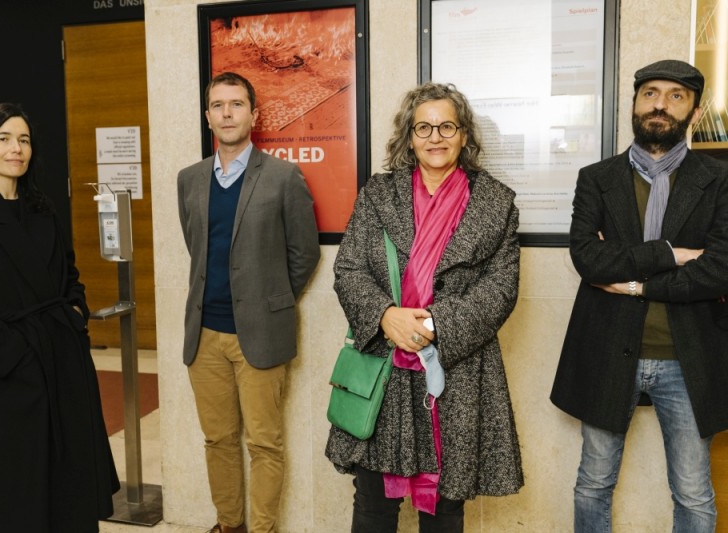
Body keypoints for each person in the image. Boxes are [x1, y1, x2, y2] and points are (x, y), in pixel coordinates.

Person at [325, 81, 524, 532]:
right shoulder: (379, 194)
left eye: (446, 126)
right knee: (373, 502)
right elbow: (349, 268)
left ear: (464, 135)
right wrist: (385, 315)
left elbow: (500, 290)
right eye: (424, 128)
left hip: (455, 373)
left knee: (445, 507)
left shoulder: (496, 203)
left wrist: (434, 324)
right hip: (385, 368)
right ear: (409, 137)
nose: (435, 137)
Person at [551, 59, 728, 532]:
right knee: (594, 481)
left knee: (693, 491)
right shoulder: (597, 178)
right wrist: (671, 253)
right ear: (634, 103)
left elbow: (719, 270)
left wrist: (635, 282)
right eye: (650, 93)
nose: (660, 105)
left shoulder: (719, 180)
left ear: (693, 111)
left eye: (676, 96)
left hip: (687, 356)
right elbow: (588, 258)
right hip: (608, 348)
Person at [0, 103, 119, 532]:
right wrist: (15, 357)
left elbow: (70, 275)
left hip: (62, 361)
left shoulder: (42, 209)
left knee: (67, 476)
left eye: (24, 140)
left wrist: (75, 313)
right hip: (5, 371)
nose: (16, 149)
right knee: (13, 481)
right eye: (3, 139)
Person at [177, 72, 320, 533]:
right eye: (217, 105)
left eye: (236, 104)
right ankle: (229, 525)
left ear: (254, 115)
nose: (226, 113)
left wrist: (271, 299)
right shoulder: (189, 180)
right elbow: (196, 245)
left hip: (259, 334)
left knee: (264, 443)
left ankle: (261, 529)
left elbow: (304, 253)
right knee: (217, 440)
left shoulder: (282, 177)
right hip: (205, 338)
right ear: (207, 117)